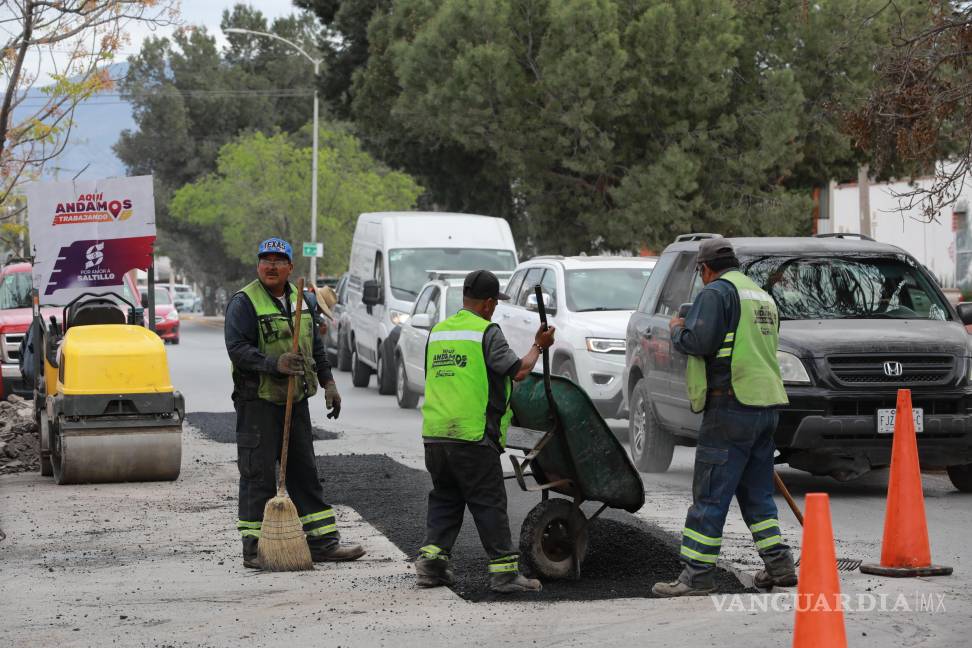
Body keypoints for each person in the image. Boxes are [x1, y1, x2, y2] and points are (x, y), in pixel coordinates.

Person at [652, 237, 796, 597]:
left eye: (700, 271)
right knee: (757, 493)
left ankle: (697, 575)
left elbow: (698, 341)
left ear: (705, 268)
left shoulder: (716, 293)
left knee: (711, 494)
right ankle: (779, 564)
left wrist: (676, 328)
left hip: (730, 406)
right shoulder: (760, 296)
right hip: (765, 407)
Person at [224, 238, 364, 569]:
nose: (271, 266)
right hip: (257, 402)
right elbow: (237, 349)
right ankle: (255, 549)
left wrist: (329, 383)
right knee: (257, 476)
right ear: (258, 265)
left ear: (290, 267)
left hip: (295, 400)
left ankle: (323, 543)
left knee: (305, 473)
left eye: (278, 260)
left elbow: (316, 348)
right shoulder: (245, 302)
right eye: (265, 260)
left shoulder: (303, 301)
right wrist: (275, 364)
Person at [416, 269, 556, 594]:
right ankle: (504, 574)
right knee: (488, 502)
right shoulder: (486, 332)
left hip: (435, 434)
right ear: (489, 304)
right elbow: (519, 371)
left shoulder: (438, 332)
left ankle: (432, 565)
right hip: (472, 435)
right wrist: (539, 345)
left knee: (446, 499)